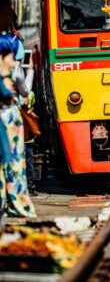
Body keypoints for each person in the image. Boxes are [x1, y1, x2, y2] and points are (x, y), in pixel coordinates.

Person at [0, 31, 36, 217]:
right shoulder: (14, 68)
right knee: (14, 160)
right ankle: (18, 203)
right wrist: (30, 70)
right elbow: (25, 92)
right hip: (11, 117)